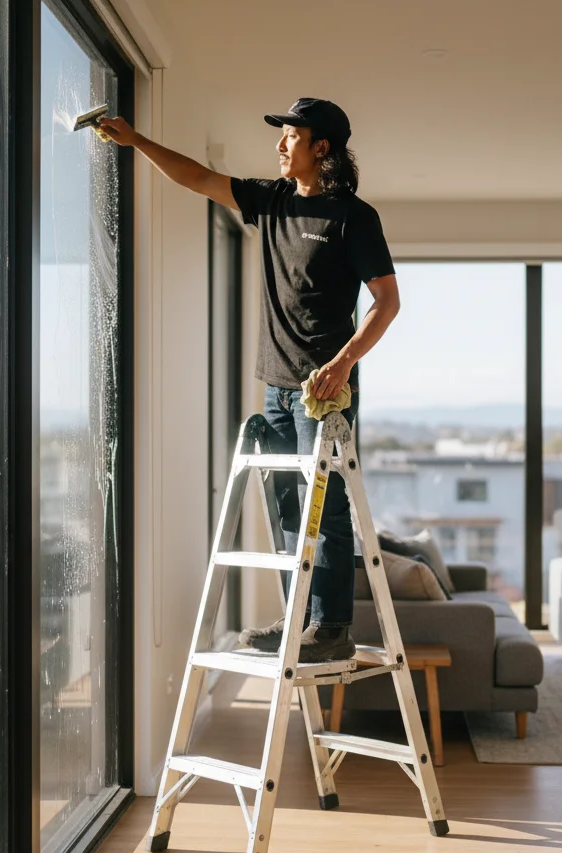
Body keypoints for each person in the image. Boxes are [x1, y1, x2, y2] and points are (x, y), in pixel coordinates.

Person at [99, 98, 400, 662]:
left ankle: (331, 628)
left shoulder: (354, 218)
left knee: (324, 505)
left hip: (324, 391)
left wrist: (344, 362)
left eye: (291, 135)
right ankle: (298, 624)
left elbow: (387, 301)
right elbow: (196, 176)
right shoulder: (273, 201)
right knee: (288, 508)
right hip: (276, 387)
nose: (280, 145)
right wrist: (135, 141)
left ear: (322, 148)